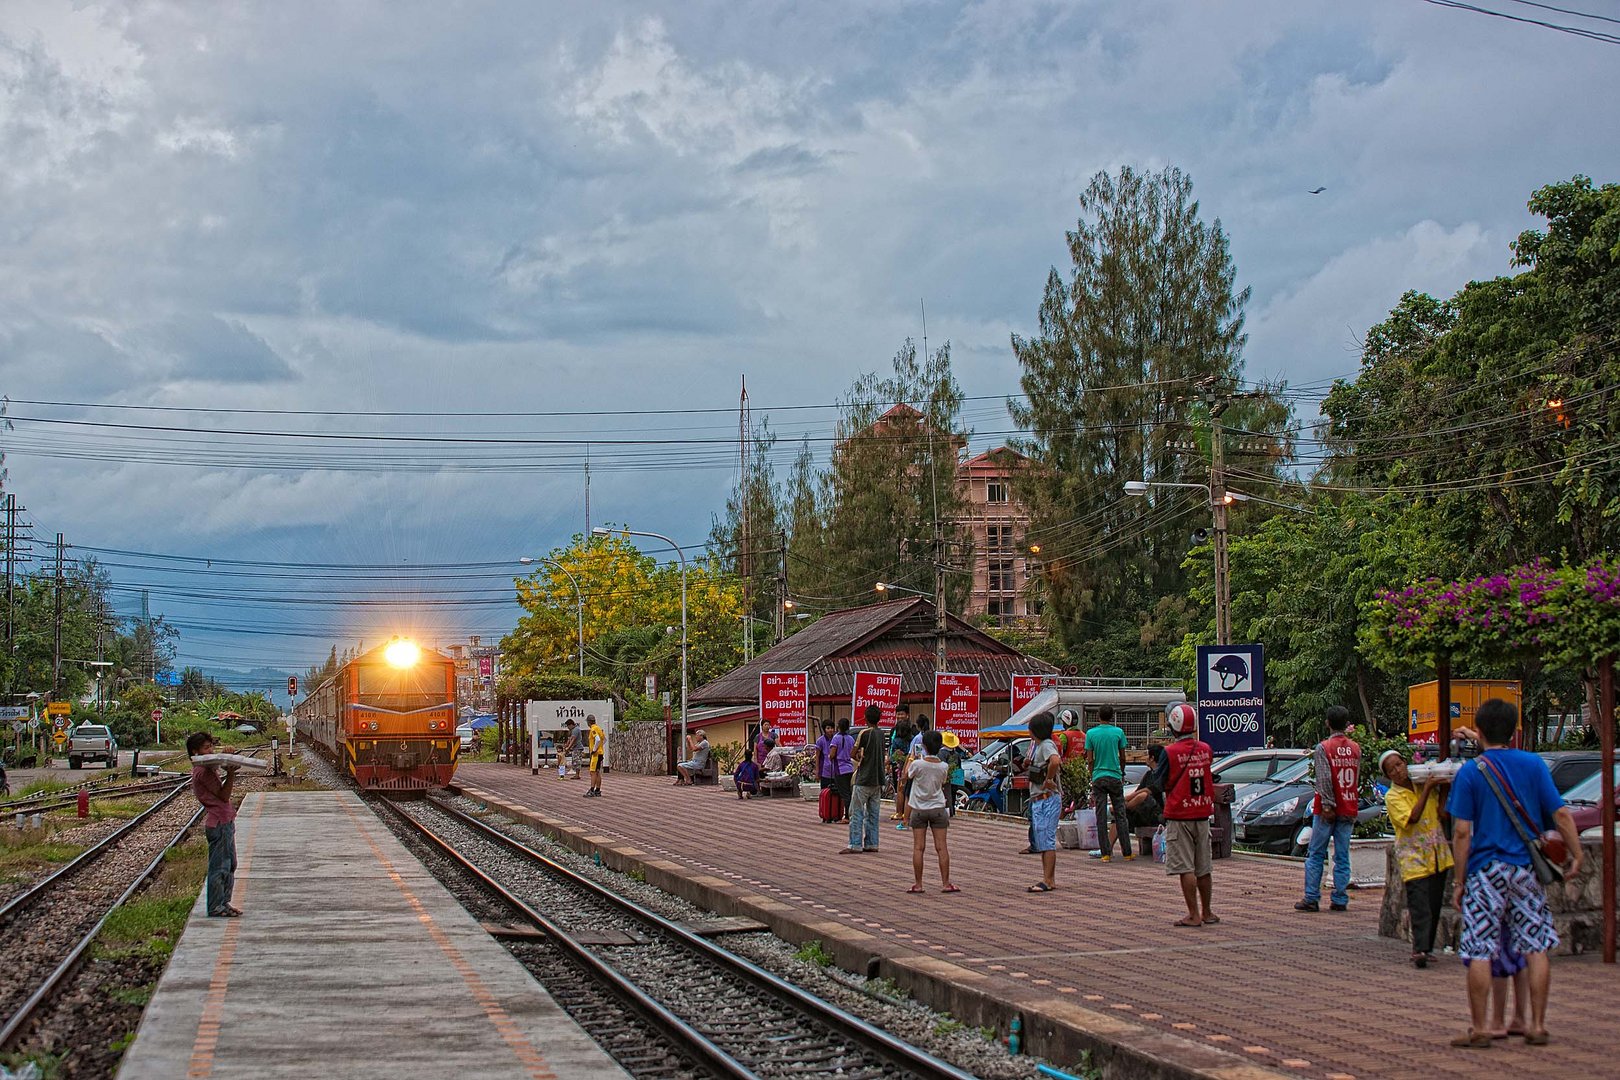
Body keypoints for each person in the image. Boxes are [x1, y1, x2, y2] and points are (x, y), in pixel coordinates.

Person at [1446, 698, 1581, 1049]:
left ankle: (1480, 1028)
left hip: (1485, 870)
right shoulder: (1533, 764)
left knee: (1480, 947)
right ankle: (1535, 1024)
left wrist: (1460, 882)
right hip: (1525, 870)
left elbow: (1462, 832)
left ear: (1478, 731)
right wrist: (1577, 855)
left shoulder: (1471, 772)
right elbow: (1562, 815)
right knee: (1535, 945)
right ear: (1514, 730)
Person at [1380, 749, 1454, 967]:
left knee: (1434, 903)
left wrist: (1443, 788)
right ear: (1388, 775)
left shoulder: (1421, 785)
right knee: (1419, 903)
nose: (1398, 770)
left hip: (1437, 853)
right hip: (1413, 857)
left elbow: (1442, 813)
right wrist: (1428, 789)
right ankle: (1419, 949)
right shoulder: (1393, 796)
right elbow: (1412, 818)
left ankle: (1427, 947)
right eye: (1392, 769)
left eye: (1399, 765)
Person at [1151, 702, 1217, 926]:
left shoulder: (1169, 752)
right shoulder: (1206, 749)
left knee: (1185, 867)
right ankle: (1207, 912)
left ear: (1173, 726)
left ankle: (1193, 914)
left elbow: (1158, 783)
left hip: (1179, 815)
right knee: (1204, 867)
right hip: (1202, 814)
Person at [1296, 705, 1361, 913]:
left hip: (1327, 809)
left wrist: (1327, 805)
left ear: (1328, 723)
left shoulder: (1324, 747)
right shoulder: (1355, 748)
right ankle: (1340, 898)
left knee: (1315, 853)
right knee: (1342, 854)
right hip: (1348, 805)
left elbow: (1324, 779)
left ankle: (1312, 897)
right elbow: (1356, 777)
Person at [187, 732, 242, 918]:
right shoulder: (203, 771)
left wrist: (228, 759)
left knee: (230, 864)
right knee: (220, 866)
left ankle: (223, 903)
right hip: (218, 823)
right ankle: (216, 906)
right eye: (206, 748)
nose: (210, 750)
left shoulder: (206, 768)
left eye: (211, 746)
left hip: (223, 821)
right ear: (195, 752)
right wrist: (231, 774)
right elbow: (223, 795)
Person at [905, 729, 959, 893]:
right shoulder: (943, 766)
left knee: (918, 847)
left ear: (924, 746)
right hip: (938, 808)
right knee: (942, 847)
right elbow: (942, 782)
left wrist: (911, 758)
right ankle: (945, 883)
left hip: (919, 809)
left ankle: (918, 884)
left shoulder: (917, 764)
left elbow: (907, 775)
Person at [1086, 705, 1132, 861]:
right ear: (1112, 716)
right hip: (1115, 776)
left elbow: (1090, 759)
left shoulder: (1091, 734)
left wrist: (1092, 775)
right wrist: (1122, 772)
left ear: (1098, 716)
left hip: (1098, 776)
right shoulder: (1118, 733)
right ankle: (1127, 853)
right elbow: (1123, 757)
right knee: (1120, 815)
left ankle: (1105, 853)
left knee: (1100, 816)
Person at [1025, 712, 1062, 893]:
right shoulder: (1039, 746)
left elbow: (1055, 761)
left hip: (1046, 798)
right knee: (1043, 840)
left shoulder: (1046, 745)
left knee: (1046, 840)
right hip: (1040, 799)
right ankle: (1049, 878)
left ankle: (1048, 880)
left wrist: (1048, 779)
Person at [842, 705, 886, 853]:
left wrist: (859, 756)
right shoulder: (881, 734)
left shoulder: (864, 733)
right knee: (873, 814)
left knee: (856, 812)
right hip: (878, 779)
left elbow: (852, 753)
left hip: (864, 778)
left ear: (866, 718)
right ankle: (872, 843)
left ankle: (855, 844)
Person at [897, 716, 932, 831]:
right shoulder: (930, 736)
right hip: (929, 768)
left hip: (916, 768)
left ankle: (906, 821)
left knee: (908, 794)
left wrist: (904, 771)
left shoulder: (918, 738)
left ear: (918, 725)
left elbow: (911, 755)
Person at [889, 711, 915, 821]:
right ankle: (908, 813)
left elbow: (893, 755)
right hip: (912, 766)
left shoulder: (896, 741)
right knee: (909, 791)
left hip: (900, 768)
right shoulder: (913, 738)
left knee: (900, 790)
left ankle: (899, 812)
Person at [833, 717, 855, 820]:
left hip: (840, 768)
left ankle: (847, 816)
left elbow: (832, 753)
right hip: (850, 768)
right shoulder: (851, 738)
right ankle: (850, 813)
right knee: (849, 792)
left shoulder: (836, 738)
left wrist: (830, 756)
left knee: (845, 793)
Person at [583, 714, 605, 797]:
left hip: (596, 754)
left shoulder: (593, 729)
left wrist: (594, 750)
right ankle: (598, 790)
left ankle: (592, 790)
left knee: (593, 772)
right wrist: (600, 748)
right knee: (597, 772)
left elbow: (598, 739)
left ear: (589, 722)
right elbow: (604, 739)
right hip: (600, 753)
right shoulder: (599, 728)